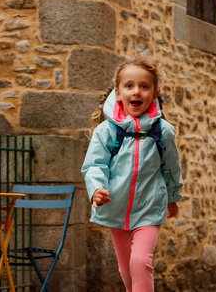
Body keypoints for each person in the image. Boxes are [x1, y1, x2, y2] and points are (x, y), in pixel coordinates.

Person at [81, 57, 183, 292]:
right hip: (117, 206)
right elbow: (94, 165)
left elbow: (171, 167)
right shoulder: (106, 131)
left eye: (144, 86)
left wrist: (172, 196)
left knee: (140, 262)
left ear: (155, 93)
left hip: (149, 208)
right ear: (118, 93)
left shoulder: (163, 132)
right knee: (126, 268)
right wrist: (96, 189)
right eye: (129, 86)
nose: (136, 91)